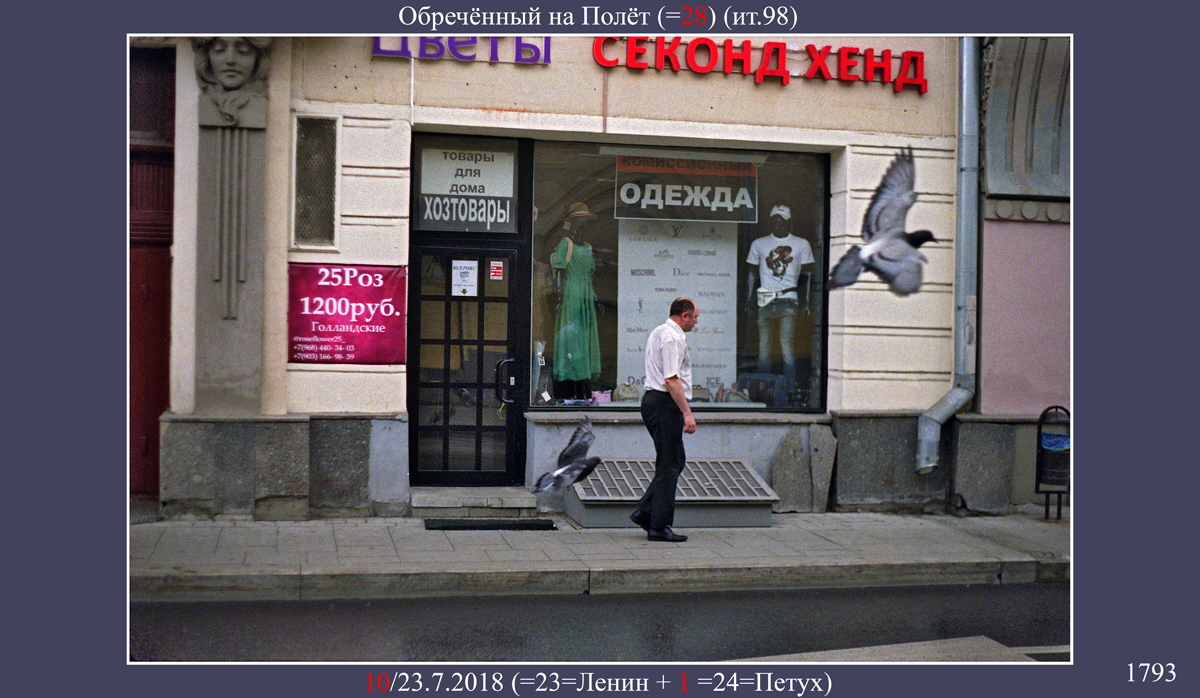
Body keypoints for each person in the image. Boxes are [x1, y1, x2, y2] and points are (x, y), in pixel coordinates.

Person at [630, 297, 699, 542]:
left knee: (675, 460)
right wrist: (687, 413)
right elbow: (671, 379)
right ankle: (658, 526)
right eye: (694, 317)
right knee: (669, 464)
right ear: (684, 316)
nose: (696, 322)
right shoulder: (672, 338)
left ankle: (645, 512)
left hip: (657, 402)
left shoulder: (659, 332)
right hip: (664, 403)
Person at [745, 205, 815, 402]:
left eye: (782, 220)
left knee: (787, 351)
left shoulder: (801, 244)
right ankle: (763, 392)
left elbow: (807, 276)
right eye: (775, 219)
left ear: (788, 222)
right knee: (764, 352)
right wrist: (749, 301)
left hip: (788, 300)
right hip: (765, 301)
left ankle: (789, 393)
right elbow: (752, 274)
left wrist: (806, 302)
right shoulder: (759, 244)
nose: (778, 223)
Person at [550, 202, 602, 402]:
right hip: (571, 295)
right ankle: (568, 389)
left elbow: (590, 276)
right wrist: (559, 296)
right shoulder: (566, 244)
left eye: (585, 221)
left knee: (585, 339)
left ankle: (583, 389)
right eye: (580, 221)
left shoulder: (588, 247)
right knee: (572, 339)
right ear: (572, 223)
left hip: (586, 297)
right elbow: (559, 273)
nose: (583, 225)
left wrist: (594, 297)